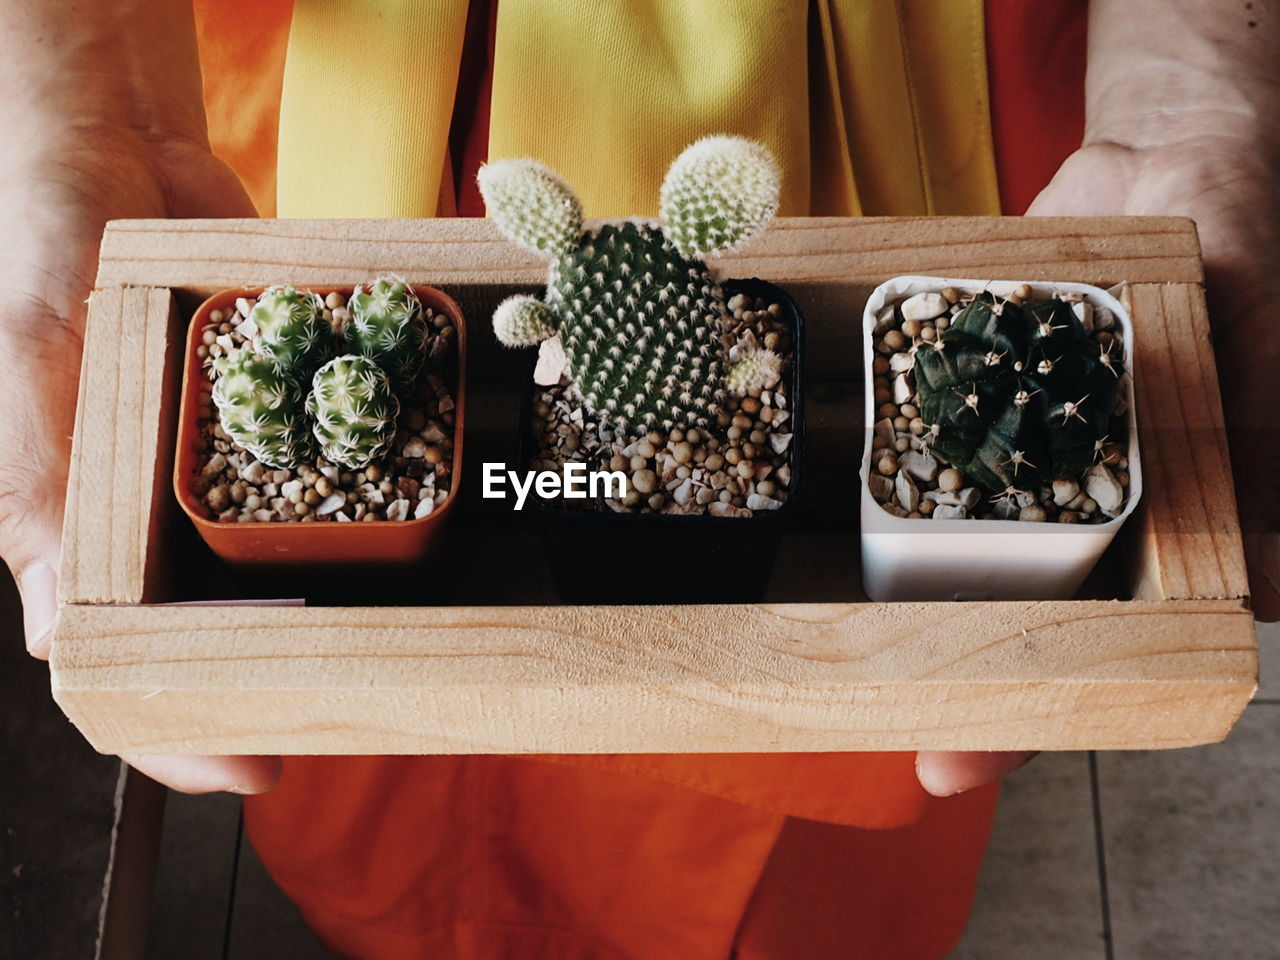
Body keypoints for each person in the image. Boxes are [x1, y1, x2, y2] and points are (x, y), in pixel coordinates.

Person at [4, 0, 1276, 956]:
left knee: (817, 872)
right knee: (375, 831)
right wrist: (87, 92)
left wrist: (1194, 90)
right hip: (328, 84)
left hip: (877, 74)